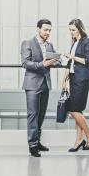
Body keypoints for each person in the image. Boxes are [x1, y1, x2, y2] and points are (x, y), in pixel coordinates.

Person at [21, 19, 60, 157]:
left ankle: (37, 141)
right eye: (45, 30)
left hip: (45, 84)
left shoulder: (50, 45)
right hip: (32, 84)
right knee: (33, 114)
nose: (48, 33)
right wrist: (43, 64)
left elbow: (57, 60)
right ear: (38, 29)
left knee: (41, 114)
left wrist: (56, 61)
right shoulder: (28, 43)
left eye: (50, 30)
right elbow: (25, 63)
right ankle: (32, 146)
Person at [63, 19, 89, 151]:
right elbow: (70, 64)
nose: (71, 32)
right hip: (73, 78)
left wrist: (72, 56)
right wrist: (64, 79)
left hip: (82, 79)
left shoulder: (87, 41)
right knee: (77, 110)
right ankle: (78, 140)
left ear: (80, 29)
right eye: (70, 30)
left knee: (73, 109)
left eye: (73, 30)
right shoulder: (75, 42)